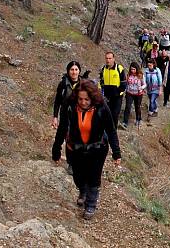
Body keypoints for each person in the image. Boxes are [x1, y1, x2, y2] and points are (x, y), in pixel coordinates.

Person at [52, 80, 121, 220]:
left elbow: (111, 130)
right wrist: (56, 148)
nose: (83, 102)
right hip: (75, 148)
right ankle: (83, 191)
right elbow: (63, 127)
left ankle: (90, 204)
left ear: (92, 98)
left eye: (86, 99)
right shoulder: (70, 106)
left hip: (97, 148)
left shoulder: (101, 107)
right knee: (78, 176)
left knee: (93, 176)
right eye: (80, 99)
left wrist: (116, 152)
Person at [52, 61, 90, 175]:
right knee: (63, 137)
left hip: (79, 116)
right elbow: (58, 101)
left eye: (76, 69)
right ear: (68, 71)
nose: (74, 72)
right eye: (72, 70)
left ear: (79, 71)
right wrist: (55, 116)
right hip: (65, 115)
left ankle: (74, 163)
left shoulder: (84, 84)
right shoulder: (63, 83)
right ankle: (61, 158)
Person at [98, 52, 126, 130]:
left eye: (110, 58)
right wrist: (100, 90)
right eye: (106, 58)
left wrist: (119, 93)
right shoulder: (103, 69)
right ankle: (107, 131)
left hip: (117, 97)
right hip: (107, 96)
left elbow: (123, 83)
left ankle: (113, 132)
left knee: (114, 114)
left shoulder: (119, 68)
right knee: (107, 114)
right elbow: (101, 81)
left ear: (113, 59)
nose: (108, 60)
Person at [122, 62, 147, 130]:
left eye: (134, 69)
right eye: (131, 69)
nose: (132, 71)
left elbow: (145, 84)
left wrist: (141, 88)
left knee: (137, 106)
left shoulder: (140, 75)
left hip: (138, 94)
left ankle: (138, 119)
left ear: (137, 69)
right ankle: (125, 122)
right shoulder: (128, 75)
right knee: (127, 107)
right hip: (129, 93)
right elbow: (126, 83)